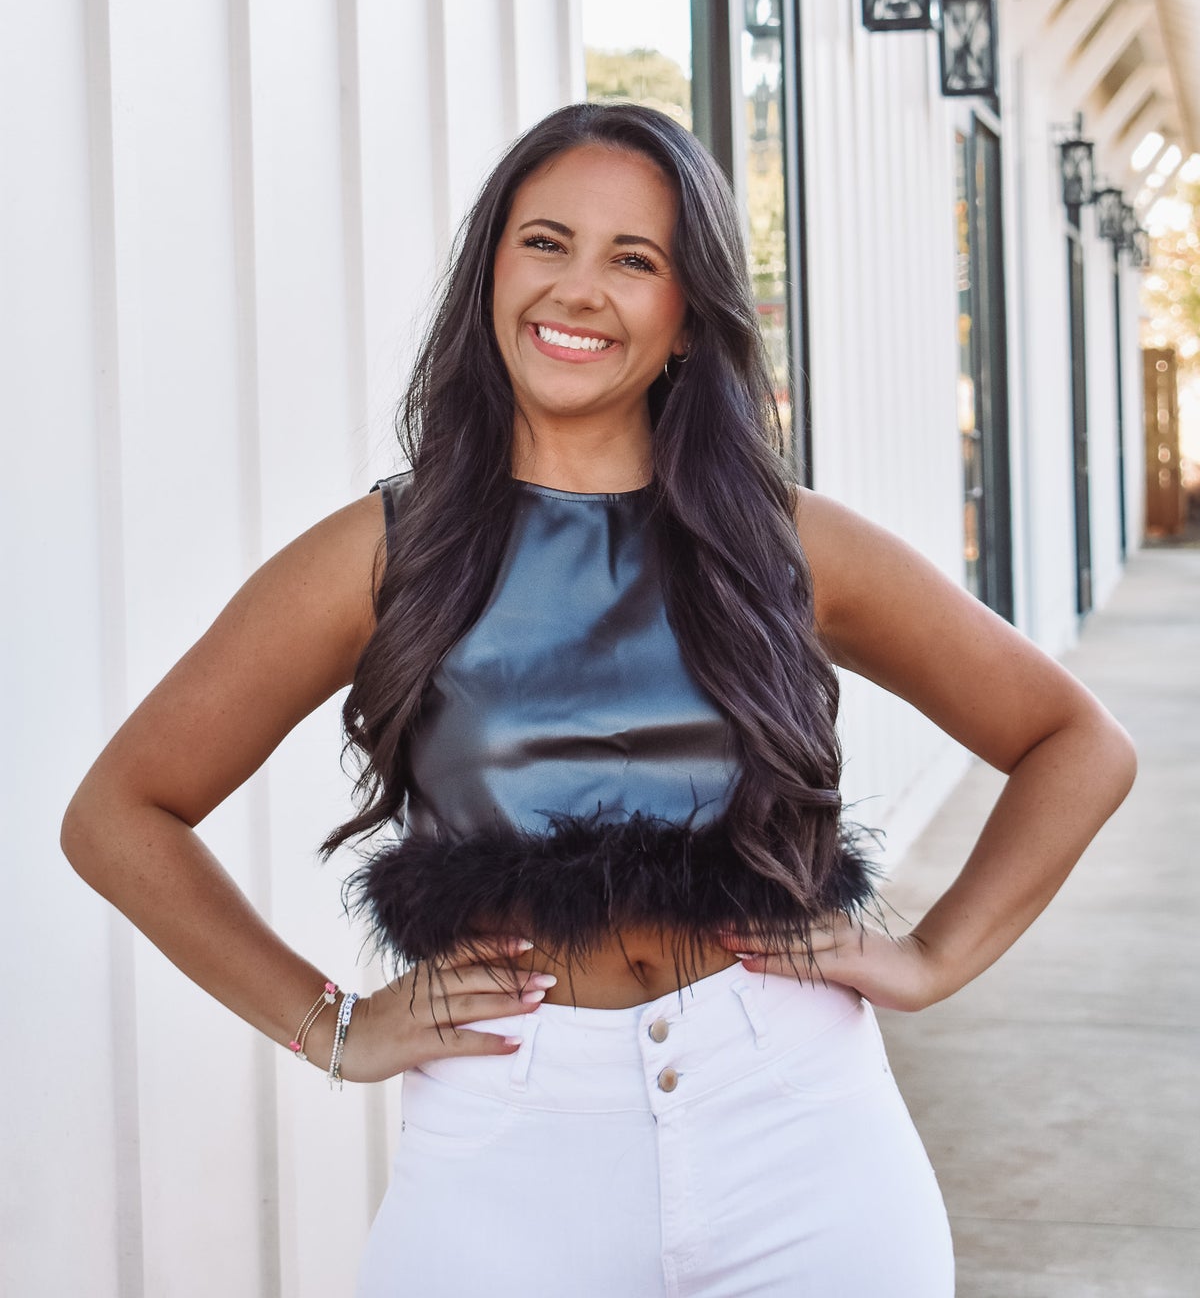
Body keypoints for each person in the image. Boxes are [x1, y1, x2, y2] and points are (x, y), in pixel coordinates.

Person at [61, 101, 1137, 1297]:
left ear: (687, 319)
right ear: (490, 275)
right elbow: (121, 811)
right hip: (509, 1133)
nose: (578, 290)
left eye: (636, 260)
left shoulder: (784, 541)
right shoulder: (383, 553)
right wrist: (334, 1026)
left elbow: (1074, 741)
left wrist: (935, 956)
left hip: (797, 1125)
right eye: (545, 242)